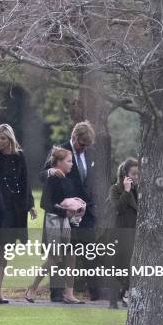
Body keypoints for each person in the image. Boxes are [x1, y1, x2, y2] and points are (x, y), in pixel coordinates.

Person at [0, 123, 37, 304]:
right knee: (1, 247)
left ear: (10, 138)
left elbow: (25, 181)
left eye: (3, 138)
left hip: (16, 208)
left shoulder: (20, 157)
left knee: (9, 248)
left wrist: (31, 205)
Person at [41, 121, 97, 301]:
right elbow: (42, 175)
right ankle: (57, 294)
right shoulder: (59, 151)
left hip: (83, 211)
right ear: (74, 137)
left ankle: (89, 292)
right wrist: (51, 171)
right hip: (61, 210)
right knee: (58, 253)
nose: (84, 148)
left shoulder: (89, 154)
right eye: (82, 144)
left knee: (82, 251)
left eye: (87, 145)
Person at [24, 147, 85, 304]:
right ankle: (32, 288)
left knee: (71, 256)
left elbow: (70, 199)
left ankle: (69, 294)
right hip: (53, 222)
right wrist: (66, 211)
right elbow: (45, 204)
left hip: (68, 223)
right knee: (54, 258)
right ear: (58, 163)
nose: (72, 164)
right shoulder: (52, 179)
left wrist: (78, 205)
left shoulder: (69, 178)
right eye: (69, 161)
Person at [106, 158, 139, 309]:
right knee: (116, 267)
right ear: (126, 174)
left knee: (129, 267)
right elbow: (118, 208)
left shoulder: (137, 190)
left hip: (132, 233)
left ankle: (124, 294)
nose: (137, 177)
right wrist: (126, 191)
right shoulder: (115, 189)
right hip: (118, 232)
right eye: (134, 174)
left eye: (138, 174)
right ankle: (113, 300)